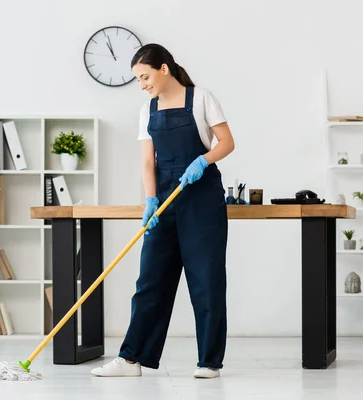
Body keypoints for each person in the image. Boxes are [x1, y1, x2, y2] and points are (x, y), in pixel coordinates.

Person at [91, 44, 235, 378]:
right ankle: (131, 359)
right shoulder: (148, 109)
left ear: (164, 69)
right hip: (165, 198)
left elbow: (226, 143)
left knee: (207, 280)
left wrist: (204, 159)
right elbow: (146, 161)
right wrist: (151, 201)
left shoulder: (201, 98)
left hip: (201, 199)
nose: (142, 84)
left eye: (145, 76)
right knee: (150, 280)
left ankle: (209, 362)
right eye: (138, 79)